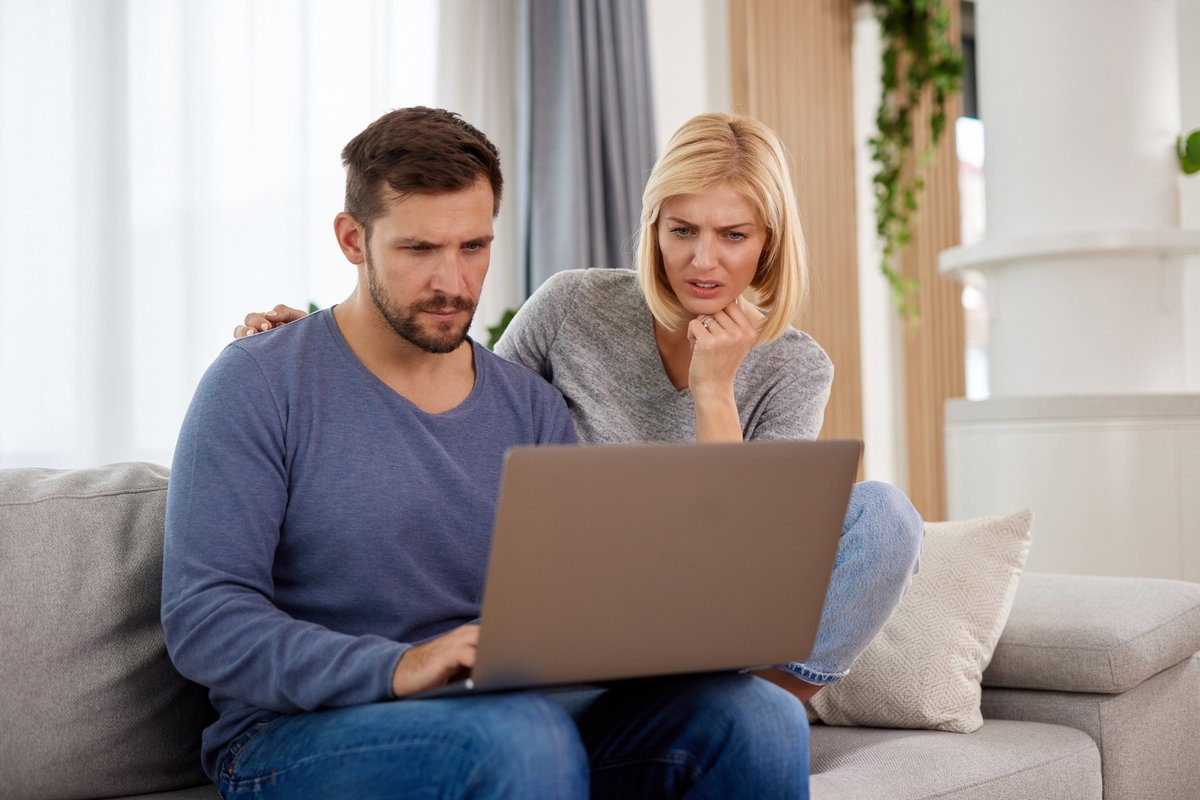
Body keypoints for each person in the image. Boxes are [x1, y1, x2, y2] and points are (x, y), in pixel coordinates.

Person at [163, 106, 810, 799]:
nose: (453, 282)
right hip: (300, 732)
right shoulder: (259, 382)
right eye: (419, 250)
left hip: (510, 709)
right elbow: (205, 619)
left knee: (757, 718)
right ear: (353, 240)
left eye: (474, 247)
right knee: (520, 740)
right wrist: (399, 666)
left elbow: (578, 595)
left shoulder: (528, 405)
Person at [239, 111, 925, 704]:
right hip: (585, 595)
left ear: (769, 241)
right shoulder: (575, 304)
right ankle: (692, 714)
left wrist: (716, 391)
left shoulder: (796, 365)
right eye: (681, 230)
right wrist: (315, 339)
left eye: (732, 236)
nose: (701, 261)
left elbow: (743, 561)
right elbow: (464, 401)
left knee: (886, 517)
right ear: (653, 226)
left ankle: (767, 706)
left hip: (709, 606)